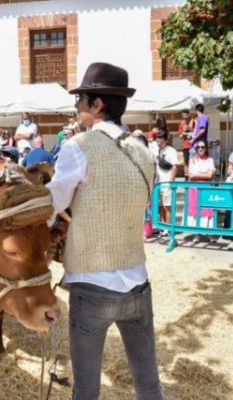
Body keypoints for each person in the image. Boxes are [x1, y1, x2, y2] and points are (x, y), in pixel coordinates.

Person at [46, 62, 161, 400]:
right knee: (148, 382)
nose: (77, 108)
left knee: (86, 389)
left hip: (92, 285)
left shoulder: (78, 146)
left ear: (97, 105)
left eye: (80, 100)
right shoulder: (144, 151)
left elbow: (53, 204)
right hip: (137, 280)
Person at [187, 141, 216, 242]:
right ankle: (196, 234)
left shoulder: (210, 160)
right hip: (194, 189)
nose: (200, 149)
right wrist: (204, 175)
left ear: (206, 148)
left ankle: (209, 234)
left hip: (207, 188)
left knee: (208, 210)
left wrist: (197, 175)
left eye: (203, 147)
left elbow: (210, 175)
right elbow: (191, 175)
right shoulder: (192, 160)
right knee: (196, 211)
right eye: (198, 147)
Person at [156, 130, 178, 236]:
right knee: (160, 206)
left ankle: (168, 229)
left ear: (166, 140)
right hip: (158, 183)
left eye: (161, 142)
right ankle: (162, 226)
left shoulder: (171, 151)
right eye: (158, 141)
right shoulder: (157, 150)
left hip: (167, 182)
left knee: (167, 206)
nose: (159, 143)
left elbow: (175, 166)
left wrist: (171, 181)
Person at [178, 109, 195, 179]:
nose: (184, 116)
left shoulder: (193, 122)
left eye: (185, 115)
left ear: (189, 114)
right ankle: (186, 177)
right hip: (185, 146)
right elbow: (180, 136)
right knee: (186, 162)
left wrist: (189, 132)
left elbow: (196, 133)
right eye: (183, 115)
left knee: (193, 161)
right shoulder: (182, 123)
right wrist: (184, 133)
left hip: (193, 145)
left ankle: (192, 177)